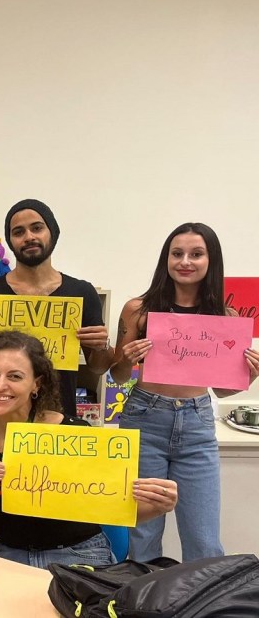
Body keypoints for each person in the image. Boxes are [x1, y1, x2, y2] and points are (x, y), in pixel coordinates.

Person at [0, 331, 178, 569]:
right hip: (3, 557)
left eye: (15, 376)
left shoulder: (74, 434)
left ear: (36, 384)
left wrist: (159, 505)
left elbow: (113, 510)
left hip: (78, 555)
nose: (1, 385)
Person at [110, 222, 259, 562]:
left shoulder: (225, 316)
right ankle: (143, 595)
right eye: (177, 253)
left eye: (196, 254)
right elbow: (117, 376)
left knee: (204, 540)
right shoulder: (138, 309)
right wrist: (128, 359)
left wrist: (249, 377)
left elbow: (221, 390)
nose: (185, 262)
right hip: (144, 419)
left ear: (211, 260)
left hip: (197, 422)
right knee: (142, 535)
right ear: (166, 258)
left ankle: (202, 595)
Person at [0, 199, 114, 417]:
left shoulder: (82, 292)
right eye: (18, 232)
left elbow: (99, 367)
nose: (29, 236)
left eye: (37, 228)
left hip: (58, 418)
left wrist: (101, 346)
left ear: (52, 233)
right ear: (10, 241)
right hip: (0, 420)